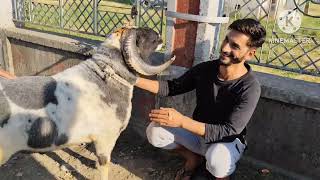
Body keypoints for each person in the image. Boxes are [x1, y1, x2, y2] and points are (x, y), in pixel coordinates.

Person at [135, 18, 266, 180]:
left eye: (235, 46)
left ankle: (221, 176)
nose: (225, 48)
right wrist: (132, 80)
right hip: (198, 135)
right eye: (226, 40)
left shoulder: (250, 87)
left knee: (218, 160)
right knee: (155, 131)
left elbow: (229, 131)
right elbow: (172, 87)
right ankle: (193, 159)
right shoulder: (206, 69)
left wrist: (181, 121)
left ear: (250, 53)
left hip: (227, 142)